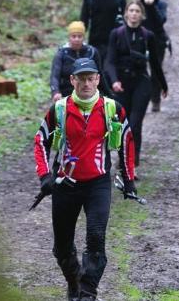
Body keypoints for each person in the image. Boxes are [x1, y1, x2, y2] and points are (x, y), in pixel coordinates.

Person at [33, 57, 138, 301]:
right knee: (61, 247)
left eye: (91, 79)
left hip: (98, 184)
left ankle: (88, 292)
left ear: (98, 80)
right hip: (65, 185)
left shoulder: (113, 108)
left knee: (96, 237)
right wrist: (44, 175)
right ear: (72, 80)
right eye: (81, 79)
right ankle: (74, 281)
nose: (86, 84)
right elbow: (40, 141)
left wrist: (129, 179)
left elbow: (127, 142)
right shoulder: (59, 109)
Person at [105, 0, 168, 169]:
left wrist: (163, 84)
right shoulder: (116, 34)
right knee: (120, 123)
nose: (134, 14)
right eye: (131, 10)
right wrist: (114, 80)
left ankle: (131, 162)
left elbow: (155, 63)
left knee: (135, 124)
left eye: (137, 11)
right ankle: (122, 156)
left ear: (142, 15)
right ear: (126, 13)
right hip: (121, 84)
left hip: (141, 82)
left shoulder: (148, 36)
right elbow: (109, 61)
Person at [79, 0, 127, 67]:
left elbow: (126, 18)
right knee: (96, 71)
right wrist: (79, 37)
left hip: (115, 40)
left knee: (113, 72)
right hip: (95, 40)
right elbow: (84, 18)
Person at [50, 21, 109, 102]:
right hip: (67, 94)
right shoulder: (62, 54)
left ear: (83, 37)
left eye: (79, 36)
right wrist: (55, 92)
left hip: (89, 94)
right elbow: (55, 76)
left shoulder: (92, 52)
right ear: (69, 37)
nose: (76, 39)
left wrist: (108, 93)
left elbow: (100, 74)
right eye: (73, 36)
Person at [139, 0, 170, 112]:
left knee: (155, 71)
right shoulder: (138, 6)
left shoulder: (161, 5)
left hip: (158, 41)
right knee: (140, 71)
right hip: (141, 40)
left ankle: (155, 99)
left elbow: (161, 21)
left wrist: (152, 7)